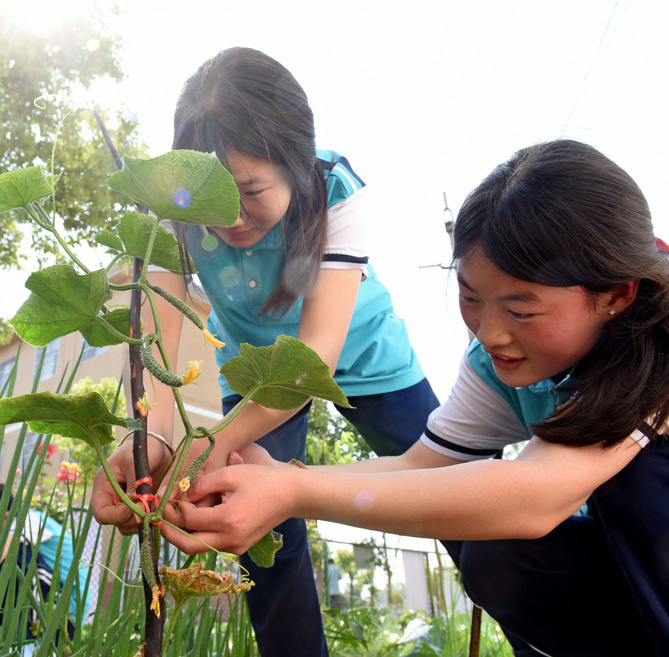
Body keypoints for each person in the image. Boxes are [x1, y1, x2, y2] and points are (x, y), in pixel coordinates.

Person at [159, 139, 669, 657]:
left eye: (522, 310)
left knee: (646, 485)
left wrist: (294, 490)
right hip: (644, 572)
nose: (490, 332)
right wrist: (285, 482)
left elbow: (537, 495)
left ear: (617, 295)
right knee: (496, 556)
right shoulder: (499, 364)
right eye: (471, 298)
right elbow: (419, 467)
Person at [91, 47, 439, 656]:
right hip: (254, 377)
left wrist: (214, 442)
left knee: (449, 485)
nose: (229, 218)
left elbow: (313, 361)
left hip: (362, 359)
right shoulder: (171, 208)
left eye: (251, 191)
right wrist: (149, 444)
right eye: (213, 200)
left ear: (297, 163)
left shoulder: (335, 188)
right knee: (261, 528)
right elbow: (157, 351)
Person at [0, 483, 83, 645]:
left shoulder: (27, 520)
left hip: (65, 607)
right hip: (48, 600)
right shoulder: (7, 527)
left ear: (5, 517)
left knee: (5, 555)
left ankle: (25, 638)